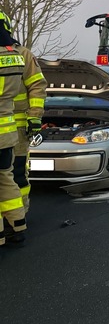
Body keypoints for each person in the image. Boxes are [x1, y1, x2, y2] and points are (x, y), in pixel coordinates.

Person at [0, 12, 28, 247]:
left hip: (9, 130)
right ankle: (18, 222)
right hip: (7, 131)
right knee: (6, 177)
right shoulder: (16, 57)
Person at [12, 36, 47, 215]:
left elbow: (37, 86)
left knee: (17, 172)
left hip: (18, 129)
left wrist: (34, 117)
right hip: (14, 127)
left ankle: (19, 216)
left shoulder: (22, 54)